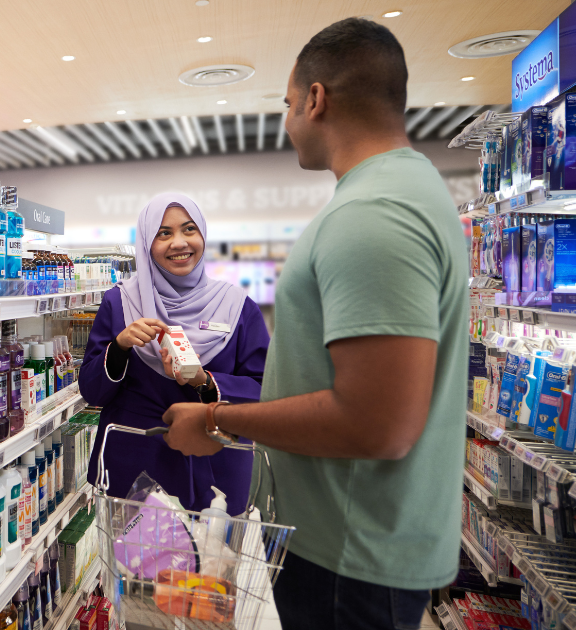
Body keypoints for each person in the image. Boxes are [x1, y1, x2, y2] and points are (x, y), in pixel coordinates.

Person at [158, 17, 467, 630]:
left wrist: (216, 420)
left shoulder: (375, 213)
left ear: (315, 98)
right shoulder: (398, 192)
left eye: (287, 104)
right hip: (350, 545)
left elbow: (377, 423)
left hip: (350, 561)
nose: (286, 120)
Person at [79, 192, 268, 515]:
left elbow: (263, 390)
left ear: (203, 235)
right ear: (147, 244)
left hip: (215, 467)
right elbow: (92, 391)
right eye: (163, 233)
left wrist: (206, 381)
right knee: (135, 562)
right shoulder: (120, 303)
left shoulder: (237, 307)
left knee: (212, 562)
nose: (179, 242)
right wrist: (121, 347)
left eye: (189, 229)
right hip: (135, 467)